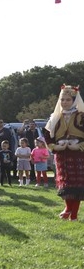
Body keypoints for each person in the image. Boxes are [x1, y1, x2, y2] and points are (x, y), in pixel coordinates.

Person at [43, 84, 84, 221]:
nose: (64, 102)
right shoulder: (55, 118)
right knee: (65, 183)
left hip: (78, 155)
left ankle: (74, 214)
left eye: (67, 100)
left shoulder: (81, 116)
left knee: (77, 184)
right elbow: (47, 136)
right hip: (61, 155)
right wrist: (54, 147)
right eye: (62, 100)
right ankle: (68, 209)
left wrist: (79, 146)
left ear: (74, 100)